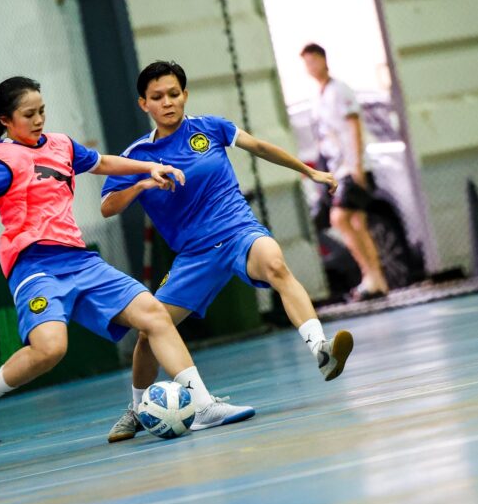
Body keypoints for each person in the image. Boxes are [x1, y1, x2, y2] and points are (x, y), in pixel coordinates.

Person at [0, 76, 255, 436]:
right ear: (6, 120)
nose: (38, 120)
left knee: (155, 315)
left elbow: (103, 163)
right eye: (29, 114)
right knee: (50, 349)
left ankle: (202, 406)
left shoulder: (62, 146)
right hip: (35, 267)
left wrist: (148, 168)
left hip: (81, 261)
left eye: (42, 111)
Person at [101, 61, 354, 443]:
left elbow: (261, 147)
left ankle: (321, 349)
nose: (168, 102)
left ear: (185, 95)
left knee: (275, 264)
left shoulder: (211, 128)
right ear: (144, 104)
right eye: (158, 97)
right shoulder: (137, 155)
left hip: (238, 232)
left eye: (174, 94)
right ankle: (138, 409)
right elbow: (107, 207)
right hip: (194, 256)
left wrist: (310, 172)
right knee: (149, 331)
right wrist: (140, 186)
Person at [300, 43, 389, 302]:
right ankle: (375, 279)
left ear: (323, 60)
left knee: (339, 218)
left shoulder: (340, 90)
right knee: (357, 222)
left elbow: (353, 126)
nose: (311, 67)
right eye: (307, 63)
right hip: (337, 170)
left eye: (313, 61)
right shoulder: (318, 97)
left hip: (352, 167)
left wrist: (357, 165)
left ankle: (371, 275)